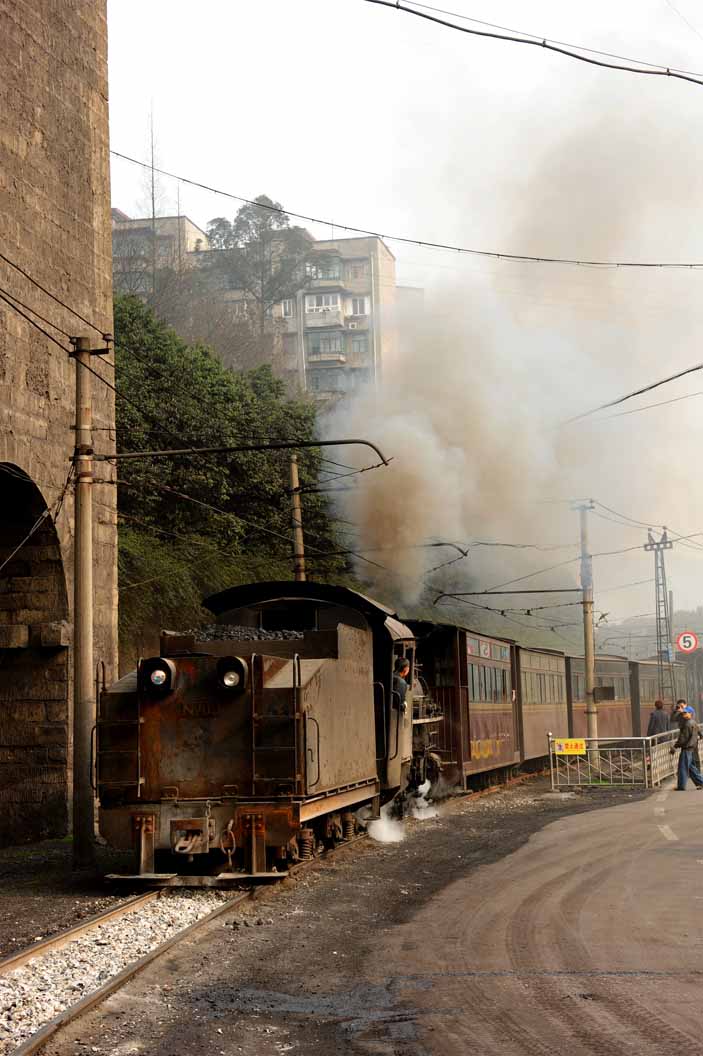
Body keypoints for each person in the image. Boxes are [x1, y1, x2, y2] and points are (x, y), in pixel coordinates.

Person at [669, 709, 703, 790]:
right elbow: (699, 732)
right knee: (691, 768)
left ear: (690, 714)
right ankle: (701, 782)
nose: (684, 715)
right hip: (691, 748)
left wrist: (675, 746)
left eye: (685, 713)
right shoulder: (693, 722)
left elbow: (682, 739)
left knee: (682, 768)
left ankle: (681, 786)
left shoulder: (687, 724)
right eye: (683, 713)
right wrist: (700, 736)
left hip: (687, 748)